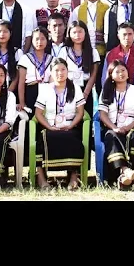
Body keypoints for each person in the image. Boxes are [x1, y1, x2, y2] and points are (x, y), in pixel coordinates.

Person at [33, 58, 87, 189]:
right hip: (50, 126)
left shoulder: (75, 88)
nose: (60, 73)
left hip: (70, 126)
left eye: (63, 69)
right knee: (43, 138)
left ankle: (73, 177)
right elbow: (38, 113)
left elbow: (80, 112)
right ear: (51, 72)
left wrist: (71, 125)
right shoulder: (45, 89)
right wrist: (49, 126)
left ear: (68, 71)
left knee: (72, 137)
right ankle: (41, 178)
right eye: (56, 70)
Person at [98, 59, 134, 188]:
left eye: (123, 70)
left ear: (128, 73)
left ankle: (124, 176)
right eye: (117, 71)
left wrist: (128, 127)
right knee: (111, 136)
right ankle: (126, 171)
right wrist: (114, 127)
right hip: (112, 128)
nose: (121, 73)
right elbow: (103, 114)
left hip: (132, 128)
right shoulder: (106, 91)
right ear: (111, 75)